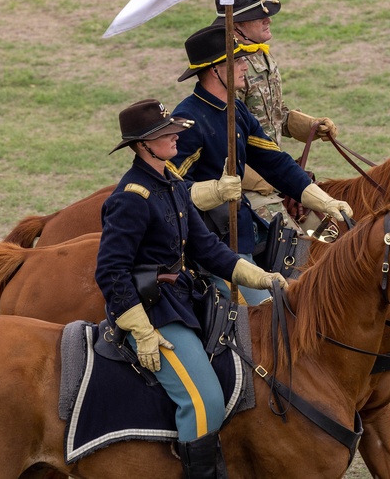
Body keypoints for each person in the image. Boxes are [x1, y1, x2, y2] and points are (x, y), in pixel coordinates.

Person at [95, 98, 288, 479]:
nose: (174, 137)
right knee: (204, 403)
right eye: (163, 134)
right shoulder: (131, 198)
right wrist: (141, 330)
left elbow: (210, 251)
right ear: (142, 145)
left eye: (172, 130)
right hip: (153, 311)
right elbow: (110, 271)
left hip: (186, 299)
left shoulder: (174, 184)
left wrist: (261, 278)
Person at [169, 23, 353, 304]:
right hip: (212, 247)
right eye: (239, 60)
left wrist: (324, 202)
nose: (246, 66)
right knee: (271, 318)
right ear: (215, 69)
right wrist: (215, 192)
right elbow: (170, 191)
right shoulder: (190, 120)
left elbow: (274, 161)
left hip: (246, 232)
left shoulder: (236, 109)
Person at [213, 0, 339, 223]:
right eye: (258, 17)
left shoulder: (262, 57)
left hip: (274, 170)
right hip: (248, 182)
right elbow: (224, 140)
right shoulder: (229, 70)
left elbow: (274, 115)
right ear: (237, 26)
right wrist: (269, 180)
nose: (267, 20)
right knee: (287, 241)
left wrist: (311, 126)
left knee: (326, 227)